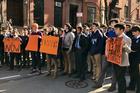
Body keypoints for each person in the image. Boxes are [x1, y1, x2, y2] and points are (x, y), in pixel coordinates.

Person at [113, 23, 132, 93]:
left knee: (121, 78)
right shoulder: (115, 37)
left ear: (121, 30)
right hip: (115, 61)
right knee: (118, 78)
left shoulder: (127, 38)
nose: (115, 30)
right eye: (114, 29)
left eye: (116, 29)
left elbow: (129, 51)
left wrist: (124, 45)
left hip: (123, 61)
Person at [127, 26, 140, 93]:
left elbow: (136, 48)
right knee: (132, 73)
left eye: (133, 32)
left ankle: (138, 89)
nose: (132, 33)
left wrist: (130, 48)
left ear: (137, 31)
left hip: (138, 60)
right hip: (131, 59)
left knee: (138, 75)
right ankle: (131, 86)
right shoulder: (132, 38)